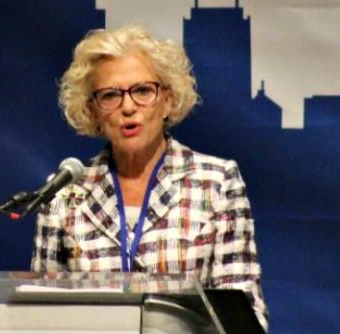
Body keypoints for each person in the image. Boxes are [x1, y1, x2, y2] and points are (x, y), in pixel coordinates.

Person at [31, 24, 268, 330]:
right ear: (93, 111)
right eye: (111, 95)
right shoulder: (65, 193)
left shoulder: (217, 183)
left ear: (168, 100)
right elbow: (41, 317)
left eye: (143, 91)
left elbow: (244, 316)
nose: (128, 107)